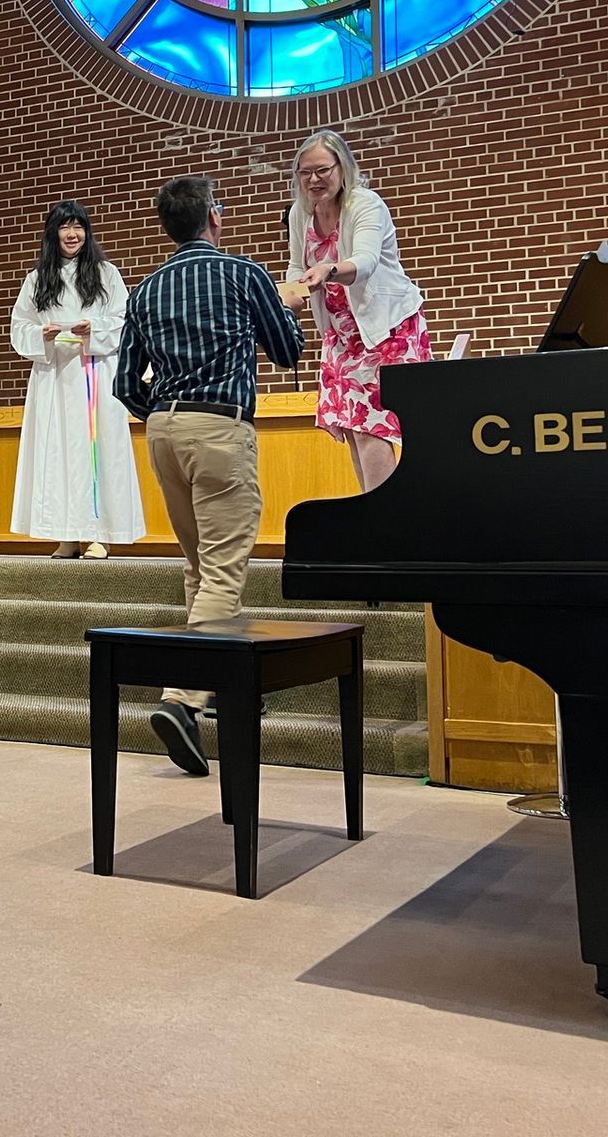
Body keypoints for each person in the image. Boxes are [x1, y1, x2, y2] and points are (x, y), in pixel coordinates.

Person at [116, 176, 307, 777]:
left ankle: (217, 682)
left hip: (163, 433)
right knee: (224, 568)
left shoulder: (145, 290)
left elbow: (126, 384)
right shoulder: (242, 274)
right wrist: (288, 304)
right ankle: (183, 698)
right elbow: (289, 350)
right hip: (219, 429)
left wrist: (167, 414)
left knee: (199, 565)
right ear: (214, 219)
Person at [286, 130, 430, 492]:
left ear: (342, 167)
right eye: (305, 173)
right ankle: (373, 515)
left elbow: (364, 261)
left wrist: (328, 270)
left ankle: (388, 524)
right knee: (353, 428)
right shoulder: (300, 214)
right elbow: (294, 264)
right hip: (341, 338)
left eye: (322, 170)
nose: (314, 180)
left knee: (372, 428)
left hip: (385, 331)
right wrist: (291, 294)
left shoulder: (365, 203)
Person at [9, 200, 144, 559]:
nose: (72, 234)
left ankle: (100, 533)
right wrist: (42, 333)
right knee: (58, 453)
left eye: (78, 226)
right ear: (52, 234)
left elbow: (123, 319)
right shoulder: (38, 280)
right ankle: (66, 533)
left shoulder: (105, 274)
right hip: (54, 374)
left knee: (96, 452)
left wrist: (93, 328)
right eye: (64, 227)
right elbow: (19, 325)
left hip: (93, 371)